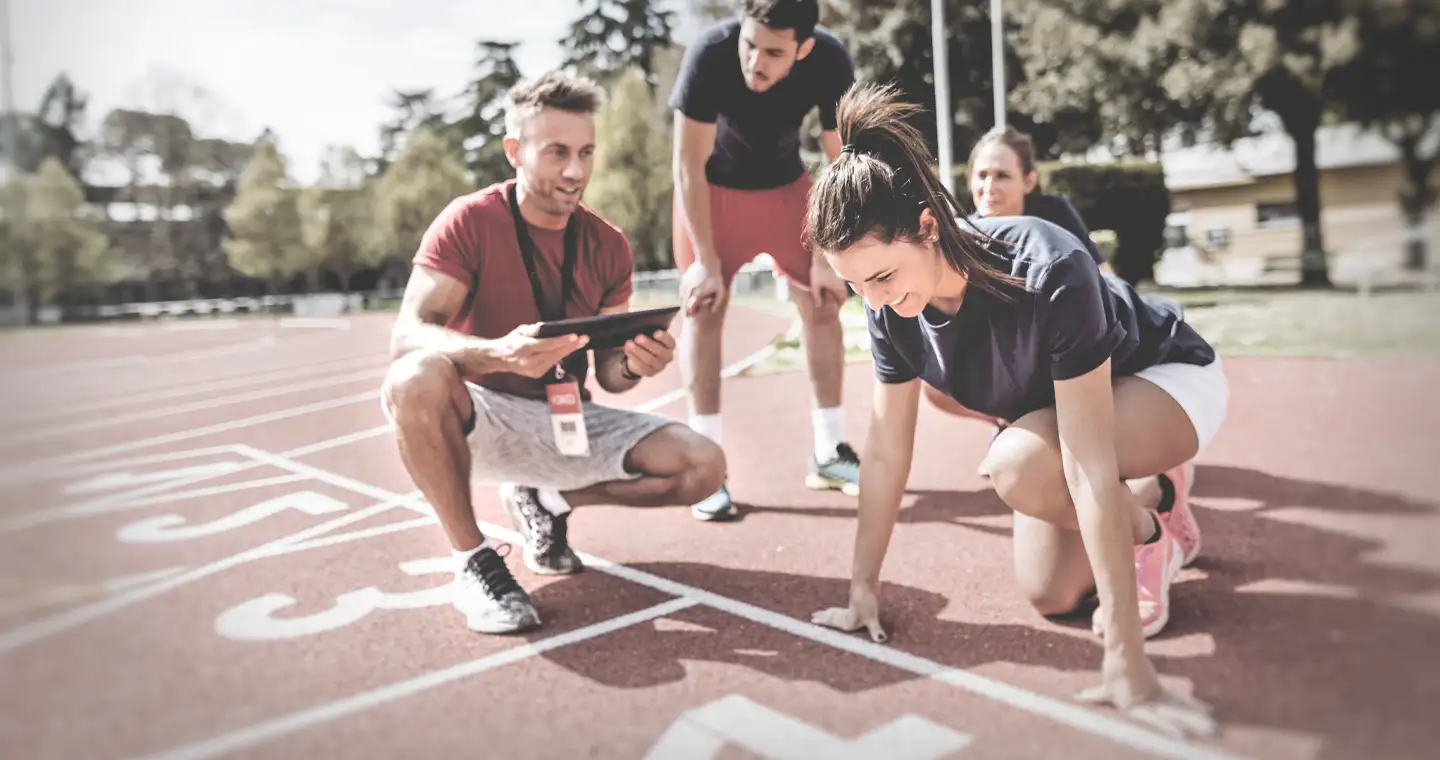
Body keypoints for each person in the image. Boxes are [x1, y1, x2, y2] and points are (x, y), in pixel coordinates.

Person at [807, 83, 1223, 738]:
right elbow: (886, 448)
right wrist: (863, 589)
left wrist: (1125, 658)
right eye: (857, 285)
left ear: (926, 227)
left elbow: (1087, 461)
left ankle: (1167, 481)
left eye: (882, 278)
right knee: (1050, 592)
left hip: (1162, 378)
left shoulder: (1049, 265)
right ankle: (1152, 518)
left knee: (1018, 466)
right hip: (1052, 413)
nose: (875, 303)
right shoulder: (888, 306)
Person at [382, 71, 726, 635]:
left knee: (703, 467)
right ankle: (473, 561)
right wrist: (498, 354)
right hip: (481, 417)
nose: (576, 171)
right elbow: (408, 333)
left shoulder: (607, 243)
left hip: (568, 416)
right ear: (515, 152)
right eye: (558, 152)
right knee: (412, 377)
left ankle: (548, 500)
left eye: (586, 152)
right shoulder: (469, 221)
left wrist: (636, 361)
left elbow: (611, 377)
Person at [669, 0, 860, 521]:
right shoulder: (710, 53)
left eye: (774, 53)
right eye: (750, 44)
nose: (755, 61)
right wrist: (705, 260)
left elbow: (839, 161)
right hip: (712, 191)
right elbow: (687, 163)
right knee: (704, 306)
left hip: (785, 188)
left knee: (824, 302)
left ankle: (829, 452)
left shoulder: (830, 61)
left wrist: (826, 256)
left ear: (803, 49)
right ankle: (704, 467)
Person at [939, 126, 1116, 476]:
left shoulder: (1053, 216)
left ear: (1029, 181)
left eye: (1003, 175)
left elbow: (1105, 277)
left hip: (1063, 344)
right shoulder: (963, 233)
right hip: (1010, 354)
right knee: (935, 383)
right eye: (982, 175)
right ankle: (1012, 423)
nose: (989, 187)